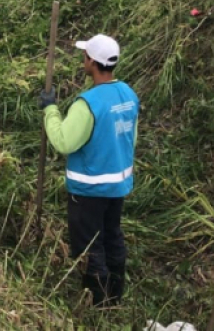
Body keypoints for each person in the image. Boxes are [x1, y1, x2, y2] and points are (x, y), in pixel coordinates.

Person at [39, 34, 139, 307]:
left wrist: (50, 110)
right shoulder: (128, 95)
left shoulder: (88, 104)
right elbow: (131, 139)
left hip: (89, 189)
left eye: (85, 57)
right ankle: (115, 295)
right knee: (112, 236)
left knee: (90, 246)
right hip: (117, 186)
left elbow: (63, 142)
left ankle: (98, 304)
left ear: (92, 62)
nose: (82, 60)